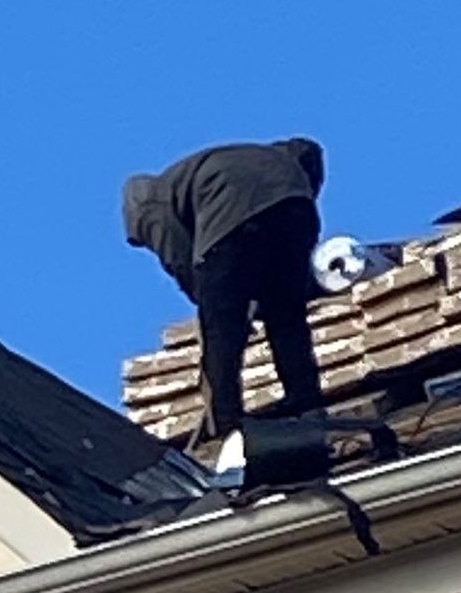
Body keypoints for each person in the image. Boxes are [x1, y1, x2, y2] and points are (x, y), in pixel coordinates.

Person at [122, 139, 327, 441]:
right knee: (286, 317)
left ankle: (227, 422)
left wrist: (220, 302)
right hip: (295, 206)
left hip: (236, 215)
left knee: (221, 330)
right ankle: (307, 402)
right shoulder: (246, 160)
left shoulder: (149, 207)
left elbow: (181, 259)